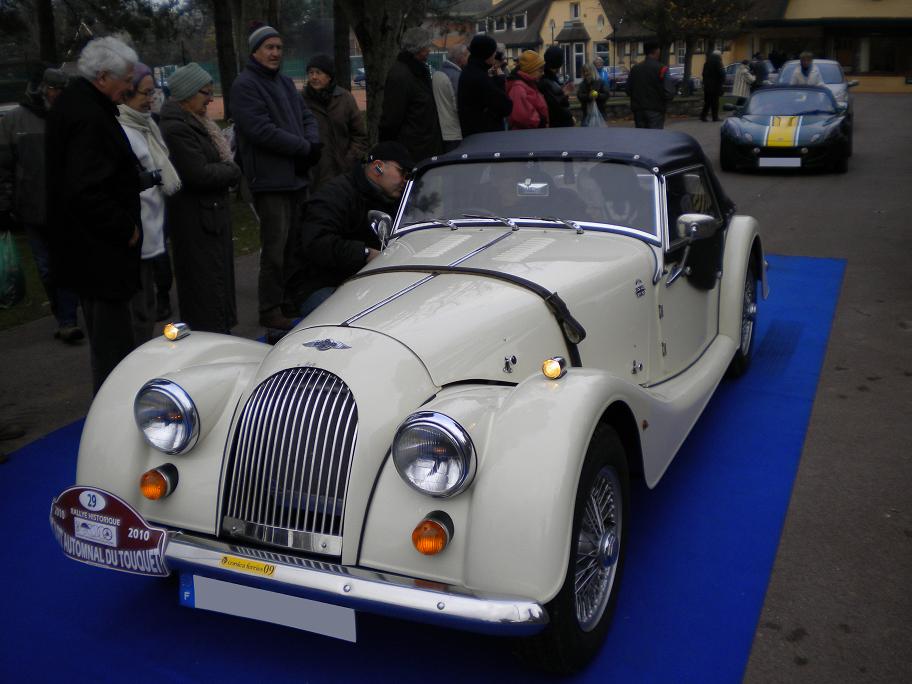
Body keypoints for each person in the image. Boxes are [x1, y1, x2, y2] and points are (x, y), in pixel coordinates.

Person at [46, 36, 142, 394]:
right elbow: (85, 189)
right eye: (126, 79)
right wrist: (125, 228)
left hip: (90, 251)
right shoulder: (88, 116)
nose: (129, 86)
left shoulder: (78, 106)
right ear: (102, 77)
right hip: (100, 254)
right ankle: (115, 410)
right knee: (113, 348)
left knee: (111, 343)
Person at [231, 22, 321, 331]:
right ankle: (269, 308)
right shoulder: (245, 85)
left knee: (294, 244)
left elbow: (306, 116)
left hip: (296, 176)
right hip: (270, 180)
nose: (275, 53)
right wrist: (303, 147)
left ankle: (290, 299)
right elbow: (260, 130)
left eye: (279, 48)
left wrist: (312, 142)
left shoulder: (284, 83)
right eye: (269, 47)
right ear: (255, 51)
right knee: (275, 248)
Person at [0, 65, 83, 343]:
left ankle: (68, 320)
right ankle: (63, 315)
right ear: (43, 89)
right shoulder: (14, 121)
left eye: (62, 89)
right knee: (47, 268)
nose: (59, 94)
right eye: (55, 89)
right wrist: (5, 204)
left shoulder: (68, 117)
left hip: (66, 208)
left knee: (67, 263)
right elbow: (4, 166)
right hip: (31, 207)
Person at [159, 63, 241, 334]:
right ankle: (213, 340)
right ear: (188, 93)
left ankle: (221, 335)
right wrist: (232, 170)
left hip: (209, 220)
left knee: (216, 288)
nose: (210, 99)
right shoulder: (177, 128)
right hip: (196, 223)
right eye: (206, 92)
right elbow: (199, 174)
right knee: (206, 293)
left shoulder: (196, 122)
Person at [290, 142, 413, 316]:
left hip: (365, 279)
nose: (405, 180)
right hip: (320, 284)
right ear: (378, 167)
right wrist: (365, 253)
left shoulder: (390, 198)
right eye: (402, 172)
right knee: (362, 316)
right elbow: (316, 243)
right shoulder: (334, 196)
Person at [118, 62, 182, 344]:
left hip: (153, 225)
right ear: (126, 93)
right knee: (139, 311)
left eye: (152, 92)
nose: (150, 99)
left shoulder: (145, 124)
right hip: (136, 231)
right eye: (145, 93)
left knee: (147, 305)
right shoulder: (122, 128)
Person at [301, 54, 368, 192]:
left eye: (318, 73)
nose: (314, 77)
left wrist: (350, 159)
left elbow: (359, 135)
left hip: (343, 173)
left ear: (329, 76)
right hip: (313, 175)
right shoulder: (301, 100)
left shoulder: (345, 98)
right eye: (311, 73)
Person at [379, 27, 443, 163]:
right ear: (417, 49)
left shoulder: (418, 71)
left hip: (423, 146)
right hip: (412, 150)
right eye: (426, 47)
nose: (429, 50)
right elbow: (392, 118)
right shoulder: (401, 75)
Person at [457, 34, 513, 138]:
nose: (495, 55)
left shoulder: (469, 71)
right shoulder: (479, 77)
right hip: (484, 137)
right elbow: (505, 107)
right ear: (486, 54)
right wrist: (499, 79)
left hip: (474, 134)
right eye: (493, 51)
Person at [626, 41, 673, 129]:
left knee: (641, 135)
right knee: (654, 135)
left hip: (638, 109)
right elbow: (669, 92)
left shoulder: (635, 69)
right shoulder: (662, 68)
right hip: (656, 109)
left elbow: (628, 90)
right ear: (657, 51)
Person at [432, 44, 468, 152]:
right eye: (467, 56)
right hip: (455, 131)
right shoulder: (457, 77)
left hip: (440, 129)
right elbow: (460, 105)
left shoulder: (437, 73)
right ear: (461, 58)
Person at [506, 51, 549, 130]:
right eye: (540, 70)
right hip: (527, 134)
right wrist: (540, 122)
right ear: (530, 70)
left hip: (532, 132)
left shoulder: (529, 84)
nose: (542, 73)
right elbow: (523, 117)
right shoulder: (518, 87)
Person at [539, 46, 574, 127]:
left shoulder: (551, 77)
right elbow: (553, 105)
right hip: (557, 126)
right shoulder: (546, 80)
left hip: (559, 124)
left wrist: (563, 92)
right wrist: (564, 94)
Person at [700, 50, 726, 122]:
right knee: (715, 102)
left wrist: (705, 82)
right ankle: (715, 117)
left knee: (707, 102)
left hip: (707, 86)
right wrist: (722, 81)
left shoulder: (707, 62)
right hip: (716, 85)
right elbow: (722, 73)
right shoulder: (718, 62)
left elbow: (703, 74)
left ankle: (703, 116)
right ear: (719, 55)